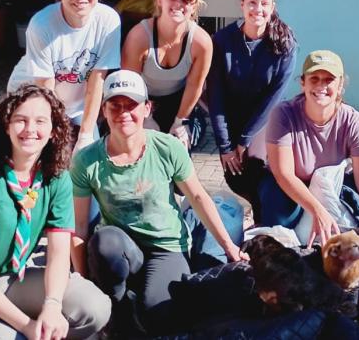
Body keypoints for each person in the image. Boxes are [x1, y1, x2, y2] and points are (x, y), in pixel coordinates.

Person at [70, 70, 246, 335]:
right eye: (115, 105)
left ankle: (140, 295)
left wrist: (229, 247)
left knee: (159, 315)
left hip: (166, 245)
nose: (123, 113)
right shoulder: (86, 160)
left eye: (131, 105)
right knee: (104, 243)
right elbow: (79, 226)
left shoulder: (167, 147)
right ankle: (115, 307)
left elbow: (198, 197)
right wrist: (83, 282)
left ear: (147, 108)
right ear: (103, 110)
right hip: (122, 246)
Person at [0, 85, 110, 340]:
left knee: (94, 306)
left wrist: (52, 306)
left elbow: (59, 254)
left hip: (13, 279)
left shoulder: (56, 179)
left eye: (40, 121)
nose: (30, 129)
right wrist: (27, 326)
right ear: (6, 126)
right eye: (20, 120)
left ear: (54, 130)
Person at [260, 50, 359, 263]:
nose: (321, 86)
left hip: (331, 185)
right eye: (314, 78)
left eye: (329, 80)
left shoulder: (354, 121)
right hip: (290, 185)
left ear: (340, 85)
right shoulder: (283, 115)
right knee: (280, 222)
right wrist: (318, 210)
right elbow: (283, 174)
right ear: (303, 83)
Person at [7, 0, 121, 156]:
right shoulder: (41, 25)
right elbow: (45, 89)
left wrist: (85, 135)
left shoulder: (109, 21)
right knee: (44, 157)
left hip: (77, 103)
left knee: (89, 155)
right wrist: (54, 134)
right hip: (33, 95)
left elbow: (97, 80)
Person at [207, 0, 297, 221]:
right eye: (252, 3)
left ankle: (265, 218)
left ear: (272, 7)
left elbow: (273, 98)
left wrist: (245, 139)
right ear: (242, 4)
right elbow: (215, 96)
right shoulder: (222, 41)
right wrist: (226, 146)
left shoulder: (285, 43)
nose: (258, 9)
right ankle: (257, 212)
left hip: (266, 119)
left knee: (256, 164)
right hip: (232, 115)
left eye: (264, 4)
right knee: (234, 173)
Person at [121, 0, 213, 149]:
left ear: (194, 6)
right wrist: (146, 118)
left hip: (179, 102)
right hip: (139, 99)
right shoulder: (139, 36)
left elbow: (194, 86)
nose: (179, 3)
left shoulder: (201, 42)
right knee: (139, 144)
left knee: (180, 145)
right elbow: (129, 84)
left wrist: (180, 121)